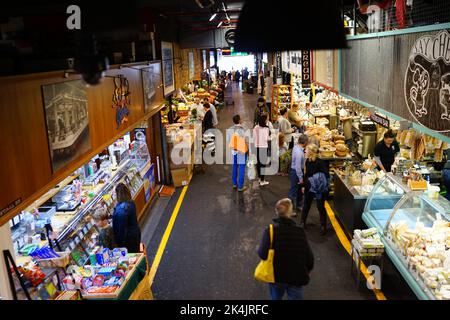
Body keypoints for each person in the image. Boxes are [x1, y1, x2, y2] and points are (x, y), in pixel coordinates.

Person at [258, 198, 314, 300]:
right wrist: (307, 270)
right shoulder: (300, 232)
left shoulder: (270, 231)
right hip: (296, 276)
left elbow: (262, 254)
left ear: (277, 212)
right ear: (291, 213)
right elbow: (309, 257)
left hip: (276, 276)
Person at [301, 144, 329, 235]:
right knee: (306, 204)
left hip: (319, 188)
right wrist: (304, 186)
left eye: (306, 150)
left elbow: (326, 175)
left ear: (311, 152)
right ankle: (302, 222)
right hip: (309, 187)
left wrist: (317, 180)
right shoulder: (307, 161)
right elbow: (306, 175)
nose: (305, 151)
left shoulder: (320, 162)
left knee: (320, 207)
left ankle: (323, 226)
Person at [112, 183, 141, 252]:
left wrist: (118, 244)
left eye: (114, 193)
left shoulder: (121, 211)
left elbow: (121, 230)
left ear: (118, 194)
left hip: (128, 240)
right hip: (135, 234)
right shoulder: (130, 202)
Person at [227, 114, 248, 192]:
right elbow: (245, 140)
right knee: (242, 168)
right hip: (241, 151)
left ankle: (234, 184)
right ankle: (240, 186)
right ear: (239, 120)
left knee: (235, 166)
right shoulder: (242, 129)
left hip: (234, 151)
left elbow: (228, 141)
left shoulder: (229, 129)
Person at [289, 134, 308, 215]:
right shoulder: (299, 153)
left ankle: (299, 205)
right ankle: (291, 209)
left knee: (299, 190)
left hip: (296, 171)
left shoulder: (296, 147)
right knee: (293, 191)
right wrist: (300, 178)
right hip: (296, 172)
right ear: (305, 142)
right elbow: (298, 167)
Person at [253, 114, 271, 186]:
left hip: (257, 147)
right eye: (266, 119)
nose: (267, 120)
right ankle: (262, 180)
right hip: (263, 147)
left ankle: (259, 178)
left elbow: (254, 138)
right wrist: (272, 137)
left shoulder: (256, 127)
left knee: (258, 163)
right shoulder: (266, 128)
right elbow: (267, 138)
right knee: (263, 164)